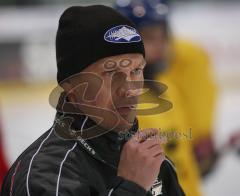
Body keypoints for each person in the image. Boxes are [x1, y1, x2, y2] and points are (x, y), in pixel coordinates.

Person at [1, 5, 185, 196]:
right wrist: (131, 186)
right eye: (111, 73)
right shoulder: (45, 177)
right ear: (71, 85)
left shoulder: (152, 163)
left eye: (136, 71)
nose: (129, 89)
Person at [115, 0, 217, 195]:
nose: (161, 45)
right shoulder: (117, 103)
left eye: (163, 36)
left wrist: (204, 156)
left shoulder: (168, 85)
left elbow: (181, 158)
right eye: (151, 37)